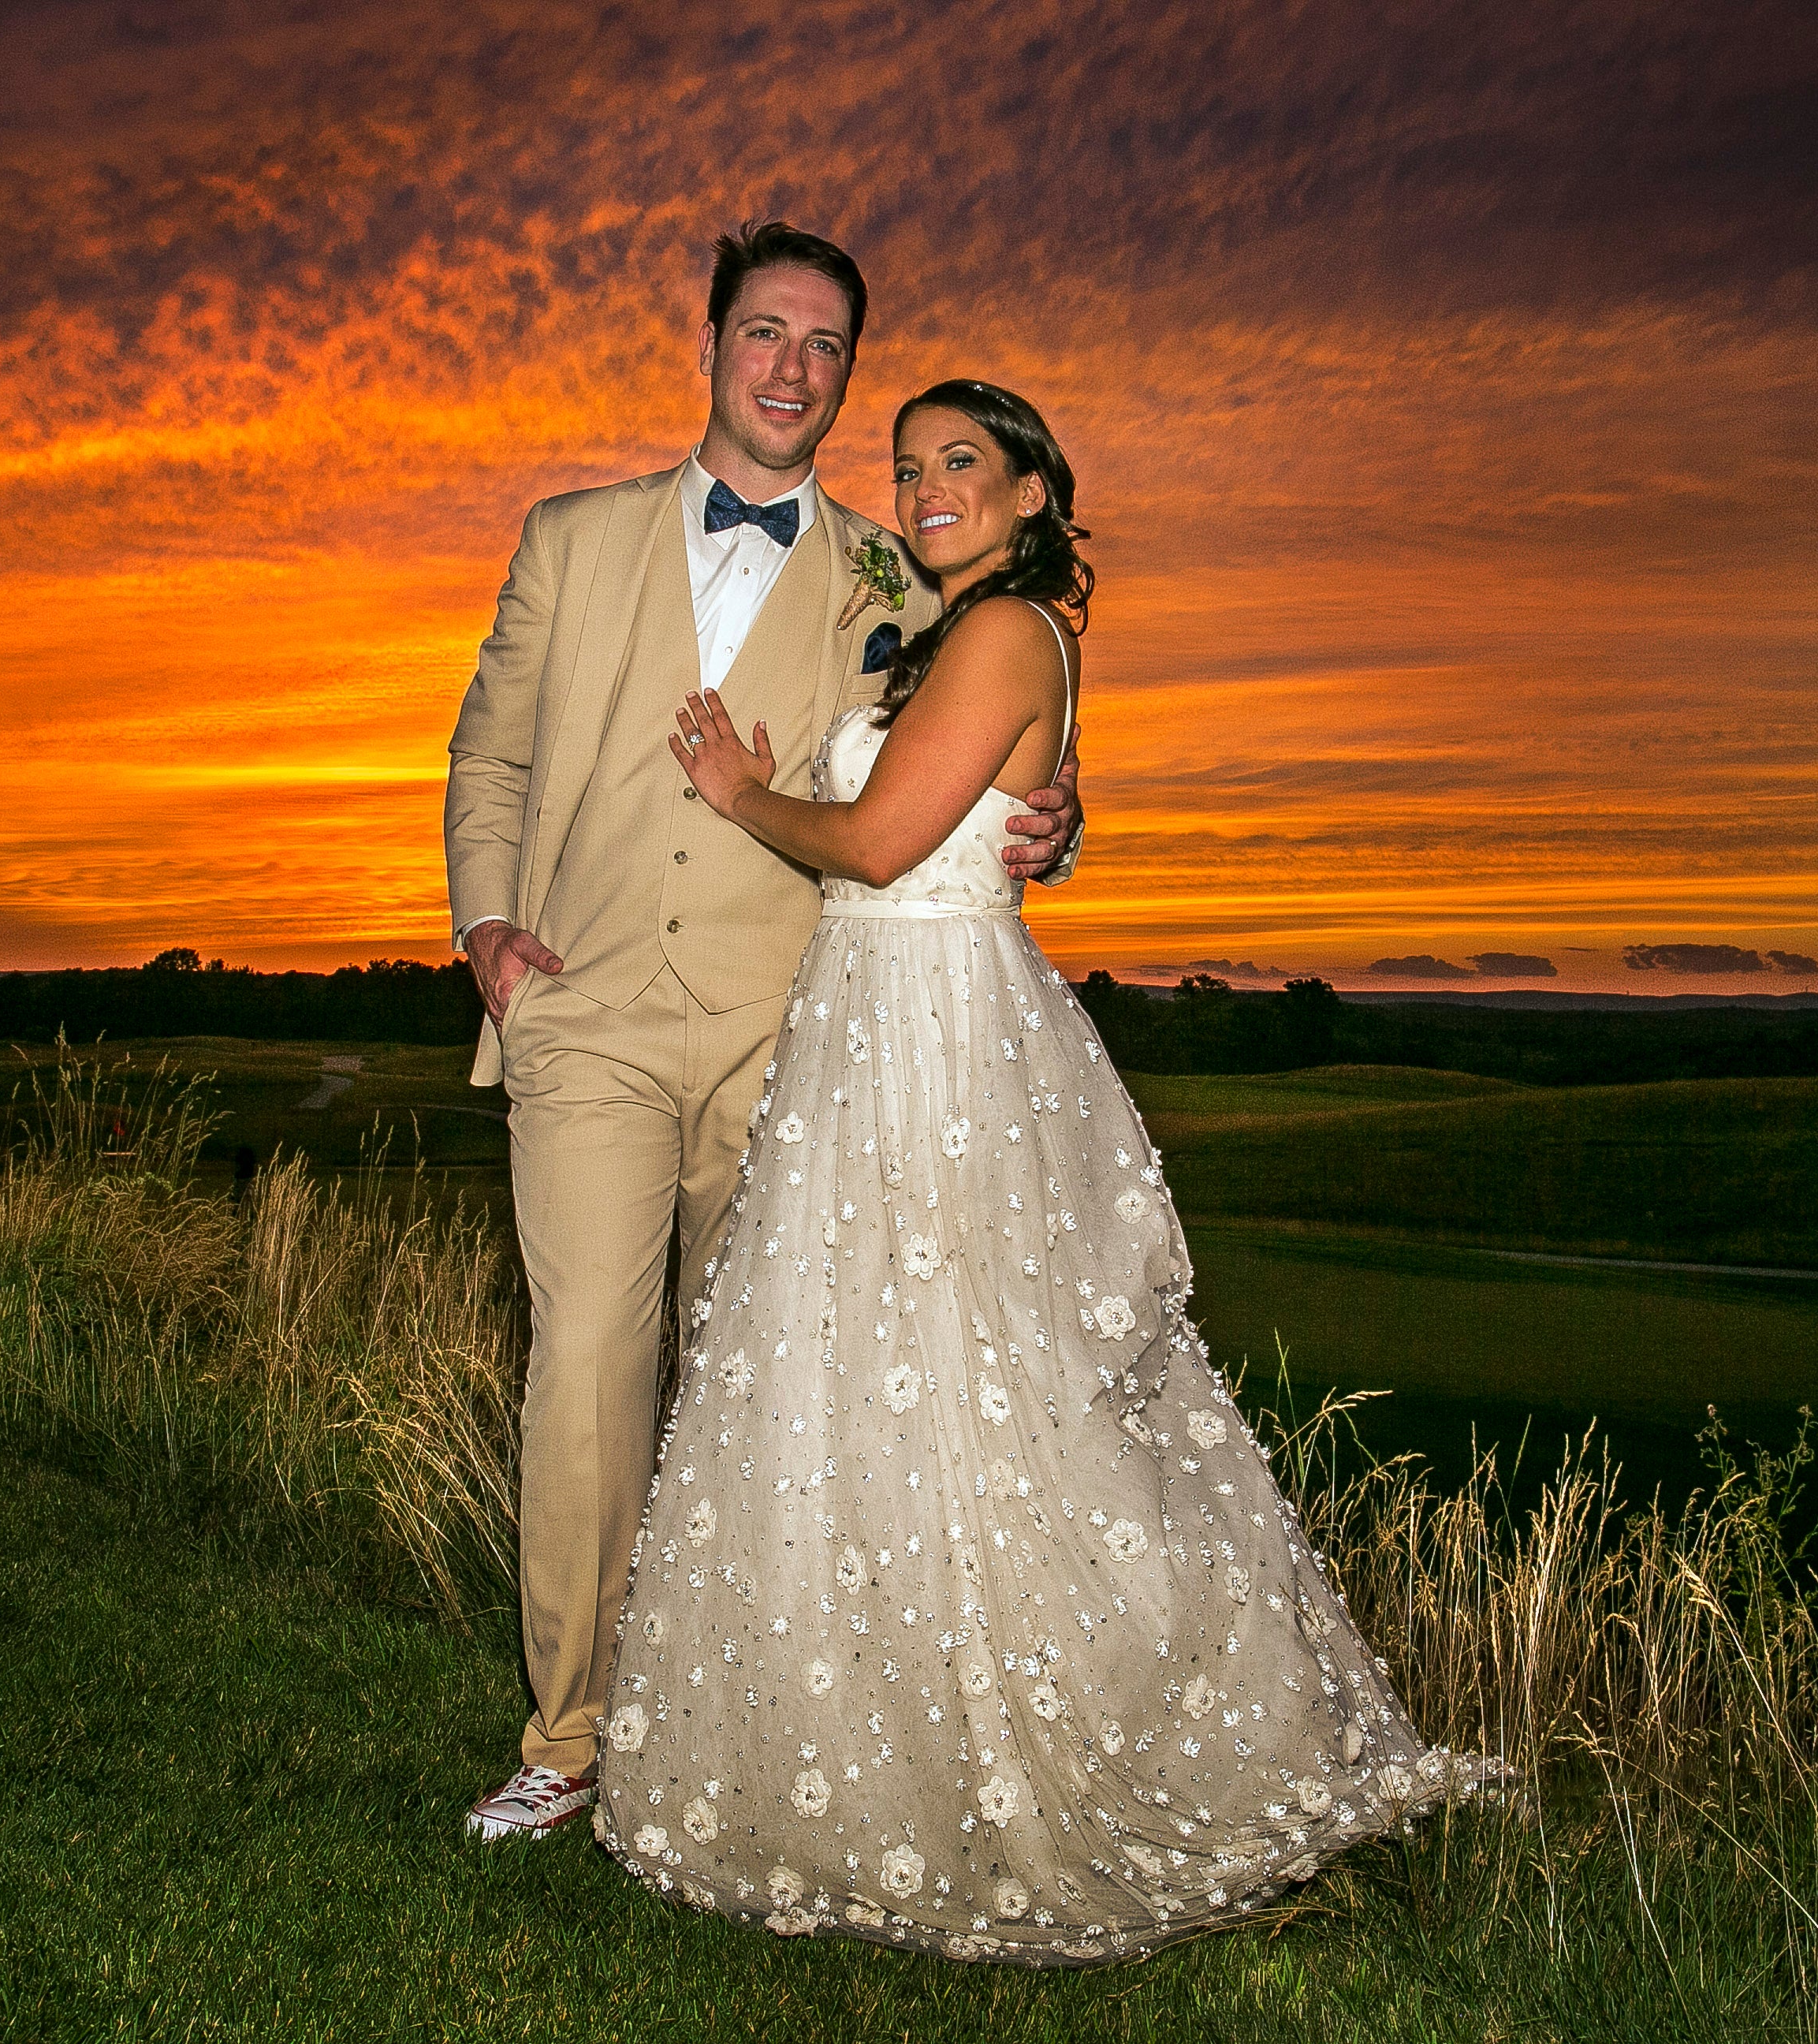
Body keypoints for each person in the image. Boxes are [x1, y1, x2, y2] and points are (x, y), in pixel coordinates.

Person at [593, 380, 1494, 1964]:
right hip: (868, 1024)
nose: (927, 486)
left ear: (1029, 496)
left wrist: (741, 790)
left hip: (934, 1034)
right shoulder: (940, 633)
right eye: (910, 465)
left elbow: (879, 846)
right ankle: (891, 1742)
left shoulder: (1009, 632)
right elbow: (958, 807)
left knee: (975, 1388)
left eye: (963, 464)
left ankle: (1069, 1740)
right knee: (869, 1389)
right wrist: (1042, 816)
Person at [441, 226, 1085, 1843]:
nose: (793, 367)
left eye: (825, 347)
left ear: (844, 375)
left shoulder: (893, 568)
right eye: (767, 333)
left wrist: (1057, 815)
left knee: (760, 1391)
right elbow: (491, 756)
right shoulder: (571, 537)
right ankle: (570, 1737)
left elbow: (981, 721)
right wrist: (485, 931)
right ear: (715, 343)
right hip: (583, 1006)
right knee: (589, 1361)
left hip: (785, 1031)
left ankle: (734, 1711)